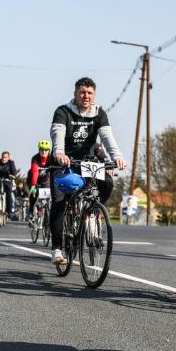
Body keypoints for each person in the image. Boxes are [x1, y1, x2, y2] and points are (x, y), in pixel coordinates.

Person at [49, 77, 126, 266]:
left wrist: (117, 156)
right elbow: (57, 133)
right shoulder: (63, 111)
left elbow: (107, 137)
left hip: (88, 163)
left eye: (90, 93)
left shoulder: (99, 113)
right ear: (75, 93)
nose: (86, 96)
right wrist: (59, 152)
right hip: (65, 163)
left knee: (107, 182)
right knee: (60, 202)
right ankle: (57, 249)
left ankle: (93, 211)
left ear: (94, 95)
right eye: (82, 92)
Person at [27, 140, 53, 217]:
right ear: (39, 150)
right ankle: (31, 210)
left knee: (47, 196)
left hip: (45, 180)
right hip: (33, 178)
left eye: (46, 150)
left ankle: (45, 212)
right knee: (33, 195)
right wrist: (33, 185)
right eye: (41, 150)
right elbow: (35, 173)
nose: (44, 152)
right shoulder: (35, 158)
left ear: (49, 150)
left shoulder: (51, 159)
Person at [0, 151, 17, 217]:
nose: (4, 159)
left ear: (8, 158)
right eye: (3, 157)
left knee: (9, 193)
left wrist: (13, 175)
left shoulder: (11, 163)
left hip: (8, 179)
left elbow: (14, 171)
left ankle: (9, 211)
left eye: (5, 157)